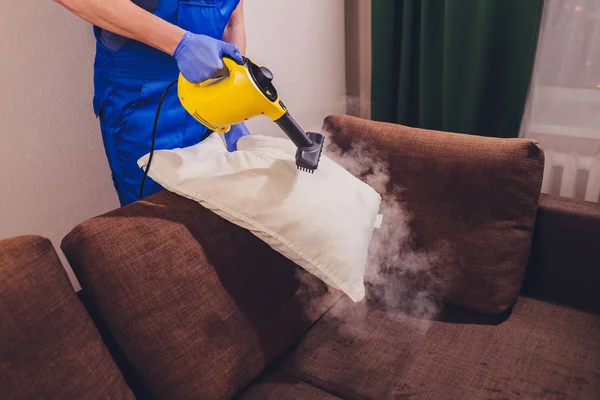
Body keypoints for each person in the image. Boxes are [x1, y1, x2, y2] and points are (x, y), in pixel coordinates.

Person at [55, 0, 250, 206]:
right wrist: (180, 43)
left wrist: (232, 92)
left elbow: (233, 23)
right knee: (154, 217)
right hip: (141, 94)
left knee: (212, 212)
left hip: (209, 93)